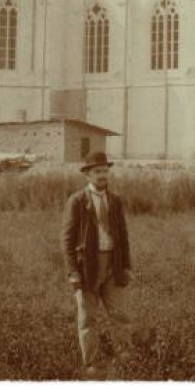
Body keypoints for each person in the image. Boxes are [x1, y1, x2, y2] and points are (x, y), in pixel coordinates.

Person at [62, 150, 132, 374]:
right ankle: (90, 363)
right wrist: (73, 272)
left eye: (105, 171)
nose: (103, 175)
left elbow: (123, 235)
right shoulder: (77, 201)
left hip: (114, 264)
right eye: (97, 172)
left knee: (121, 315)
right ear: (88, 175)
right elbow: (67, 240)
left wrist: (127, 266)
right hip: (87, 268)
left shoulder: (115, 200)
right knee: (87, 318)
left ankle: (124, 359)